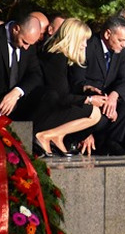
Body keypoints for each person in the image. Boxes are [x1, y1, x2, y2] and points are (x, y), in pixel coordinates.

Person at [33, 18, 108, 157]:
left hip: (54, 104)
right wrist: (89, 100)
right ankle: (44, 136)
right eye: (82, 41)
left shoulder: (64, 57)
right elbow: (61, 96)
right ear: (72, 39)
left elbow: (69, 87)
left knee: (96, 113)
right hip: (45, 109)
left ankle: (56, 136)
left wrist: (85, 90)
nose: (85, 45)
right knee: (94, 112)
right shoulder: (56, 58)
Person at [75, 15, 125, 156]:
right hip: (88, 97)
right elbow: (78, 81)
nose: (124, 45)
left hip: (108, 97)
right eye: (121, 40)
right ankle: (85, 135)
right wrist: (101, 99)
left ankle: (113, 141)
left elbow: (124, 79)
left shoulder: (122, 51)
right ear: (108, 34)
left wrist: (114, 97)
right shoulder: (88, 45)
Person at [0, 13, 45, 119]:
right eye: (24, 42)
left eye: (30, 44)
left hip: (17, 102)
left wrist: (17, 92)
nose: (26, 48)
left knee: (49, 96)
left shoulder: (28, 43)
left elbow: (35, 74)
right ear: (16, 29)